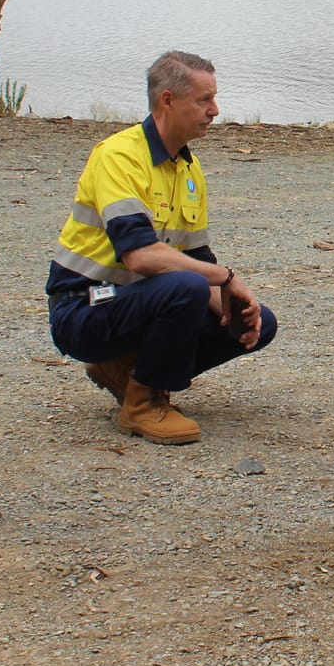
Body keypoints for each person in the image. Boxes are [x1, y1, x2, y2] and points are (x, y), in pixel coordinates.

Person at [47, 51, 278, 445]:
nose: (215, 110)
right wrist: (226, 278)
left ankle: (125, 370)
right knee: (187, 287)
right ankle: (142, 404)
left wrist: (235, 305)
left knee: (255, 323)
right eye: (204, 100)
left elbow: (196, 261)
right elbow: (140, 256)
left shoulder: (188, 169)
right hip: (85, 304)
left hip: (139, 301)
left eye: (214, 99)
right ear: (167, 100)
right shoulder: (119, 156)